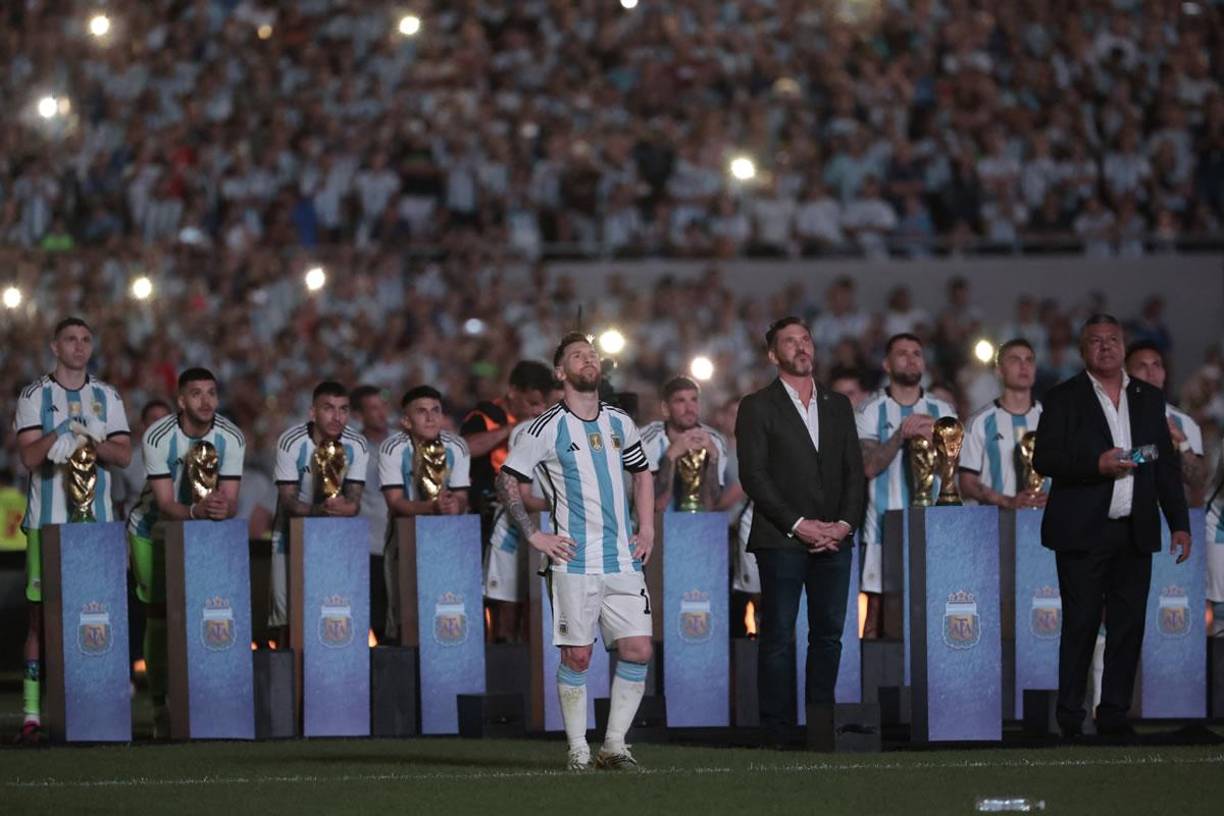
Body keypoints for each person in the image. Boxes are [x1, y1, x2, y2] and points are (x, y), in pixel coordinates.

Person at [496, 332, 654, 771]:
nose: (589, 359)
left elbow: (642, 473)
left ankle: (614, 745)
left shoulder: (620, 422)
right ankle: (578, 748)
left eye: (593, 354)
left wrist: (648, 528)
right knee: (578, 655)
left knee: (639, 649)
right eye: (577, 356)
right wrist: (534, 535)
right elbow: (507, 481)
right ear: (561, 373)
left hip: (622, 558)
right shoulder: (543, 427)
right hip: (574, 560)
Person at [1033, 314, 1190, 738]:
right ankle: (1070, 717)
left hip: (1133, 529)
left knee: (1128, 626)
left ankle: (1114, 713)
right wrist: (1095, 465)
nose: (1106, 347)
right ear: (1083, 351)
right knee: (1081, 624)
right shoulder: (1063, 397)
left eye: (1113, 340)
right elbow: (1043, 459)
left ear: (1123, 346)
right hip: (1083, 530)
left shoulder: (1148, 398)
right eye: (1096, 341)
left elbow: (1164, 465)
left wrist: (1179, 523)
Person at [735, 317, 865, 745]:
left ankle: (820, 726)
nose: (801, 347)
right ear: (774, 355)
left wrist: (843, 525)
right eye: (790, 342)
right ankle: (778, 731)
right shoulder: (757, 406)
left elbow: (853, 472)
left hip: (835, 539)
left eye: (806, 339)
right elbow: (755, 476)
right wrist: (799, 525)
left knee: (829, 635)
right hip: (781, 539)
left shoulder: (838, 404)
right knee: (778, 636)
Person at [11, 317, 131, 745]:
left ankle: (95, 703)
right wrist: (62, 430)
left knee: (97, 614)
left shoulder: (107, 396)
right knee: (40, 620)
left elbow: (124, 455)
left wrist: (91, 442)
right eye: (70, 340)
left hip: (96, 527)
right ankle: (30, 713)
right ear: (54, 347)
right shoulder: (34, 395)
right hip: (47, 524)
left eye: (85, 340)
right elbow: (28, 458)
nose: (79, 347)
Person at [126, 368, 245, 737]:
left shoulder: (232, 437)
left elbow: (232, 500)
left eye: (211, 392)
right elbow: (163, 505)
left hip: (204, 533)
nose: (206, 401)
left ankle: (209, 700)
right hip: (153, 531)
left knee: (208, 611)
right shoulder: (159, 436)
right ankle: (160, 701)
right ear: (181, 401)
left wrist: (222, 509)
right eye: (196, 394)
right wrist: (197, 511)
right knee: (160, 614)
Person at [856, 333, 957, 637]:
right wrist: (901, 435)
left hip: (932, 526)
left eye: (917, 353)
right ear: (887, 364)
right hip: (882, 527)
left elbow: (951, 472)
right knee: (876, 611)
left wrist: (935, 444)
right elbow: (868, 467)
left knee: (935, 603)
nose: (911, 359)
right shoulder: (870, 409)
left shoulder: (942, 410)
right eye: (902, 353)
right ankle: (875, 681)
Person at [268, 381, 369, 643]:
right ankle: (288, 673)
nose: (337, 417)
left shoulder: (357, 444)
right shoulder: (291, 441)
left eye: (343, 409)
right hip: (289, 537)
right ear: (313, 413)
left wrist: (345, 507)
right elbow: (288, 501)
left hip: (336, 538)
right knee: (286, 612)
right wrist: (320, 510)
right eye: (329, 409)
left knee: (332, 607)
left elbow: (355, 500)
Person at [378, 385, 471, 643]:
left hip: (449, 539)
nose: (430, 418)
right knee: (401, 608)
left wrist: (455, 504)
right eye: (421, 412)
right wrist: (432, 508)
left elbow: (462, 497)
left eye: (435, 411)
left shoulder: (458, 446)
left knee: (448, 603)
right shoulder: (392, 448)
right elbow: (395, 502)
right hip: (403, 539)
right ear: (406, 421)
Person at [483, 382, 561, 643]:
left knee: (544, 618)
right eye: (557, 401)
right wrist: (566, 505)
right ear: (542, 406)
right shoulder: (526, 431)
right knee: (508, 619)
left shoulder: (582, 434)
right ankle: (504, 678)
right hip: (515, 535)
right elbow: (522, 497)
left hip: (557, 532)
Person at [959, 339, 1047, 509]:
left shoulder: (1051, 419)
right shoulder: (980, 421)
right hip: (995, 525)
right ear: (999, 371)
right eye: (1015, 360)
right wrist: (1006, 501)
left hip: (1045, 523)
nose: (1024, 366)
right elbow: (967, 482)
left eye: (1029, 360)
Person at [461, 361, 555, 517]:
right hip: (488, 510)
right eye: (532, 403)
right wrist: (515, 428)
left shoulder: (546, 423)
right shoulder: (484, 416)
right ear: (512, 391)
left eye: (543, 405)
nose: (538, 410)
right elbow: (464, 449)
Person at [1124, 342, 1207, 505]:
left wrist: (1183, 443)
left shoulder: (1184, 423)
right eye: (1142, 366)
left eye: (1156, 365)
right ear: (1126, 375)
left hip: (1167, 522)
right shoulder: (1111, 417)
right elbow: (1109, 461)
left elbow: (1197, 483)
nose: (1151, 373)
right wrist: (1155, 451)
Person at [640, 376, 727, 513]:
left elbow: (714, 500)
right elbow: (647, 497)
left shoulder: (715, 440)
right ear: (665, 408)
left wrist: (713, 459)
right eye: (680, 401)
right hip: (653, 524)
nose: (689, 408)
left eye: (694, 400)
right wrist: (670, 456)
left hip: (696, 524)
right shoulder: (646, 438)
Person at [112, 400, 172, 519]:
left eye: (165, 420)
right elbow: (118, 504)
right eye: (154, 419)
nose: (160, 424)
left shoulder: (186, 460)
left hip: (175, 531)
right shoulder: (127, 461)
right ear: (143, 424)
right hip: (136, 532)